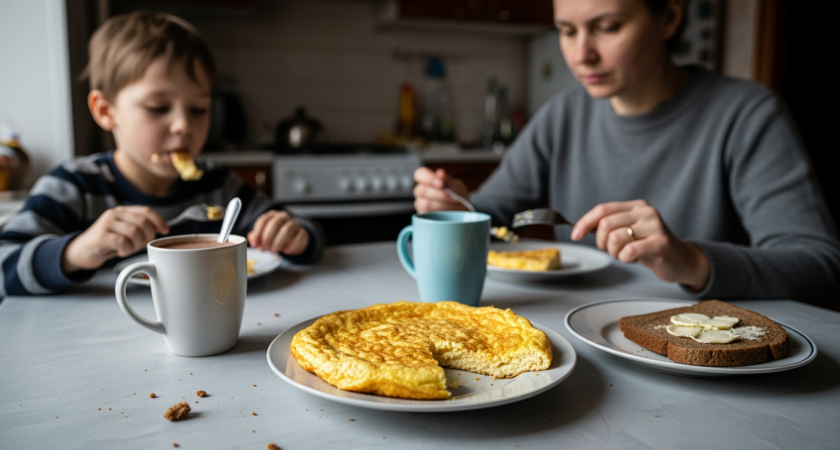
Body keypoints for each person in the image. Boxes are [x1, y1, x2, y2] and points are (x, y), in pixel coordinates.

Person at [413, 0, 840, 309]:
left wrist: (691, 259)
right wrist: (454, 205)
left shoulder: (748, 114)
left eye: (608, 26)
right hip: (578, 338)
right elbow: (491, 214)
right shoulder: (562, 113)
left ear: (668, 18)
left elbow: (821, 267)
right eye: (567, 31)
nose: (581, 55)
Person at [0, 11, 323, 297]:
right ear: (105, 110)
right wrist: (74, 251)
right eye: (158, 108)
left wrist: (295, 237)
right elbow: (5, 263)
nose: (183, 125)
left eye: (198, 109)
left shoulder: (218, 186)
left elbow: (302, 228)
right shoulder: (74, 186)